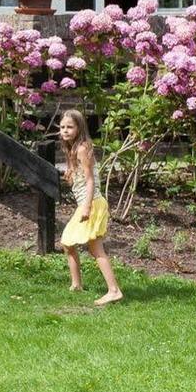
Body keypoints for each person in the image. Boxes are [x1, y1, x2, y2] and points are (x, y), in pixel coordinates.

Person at [57, 109, 123, 305]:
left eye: (70, 127)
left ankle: (114, 290)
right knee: (67, 243)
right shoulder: (72, 148)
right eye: (62, 127)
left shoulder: (82, 148)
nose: (65, 131)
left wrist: (86, 207)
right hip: (87, 203)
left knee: (95, 249)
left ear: (79, 128)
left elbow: (90, 180)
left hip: (92, 203)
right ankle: (76, 285)